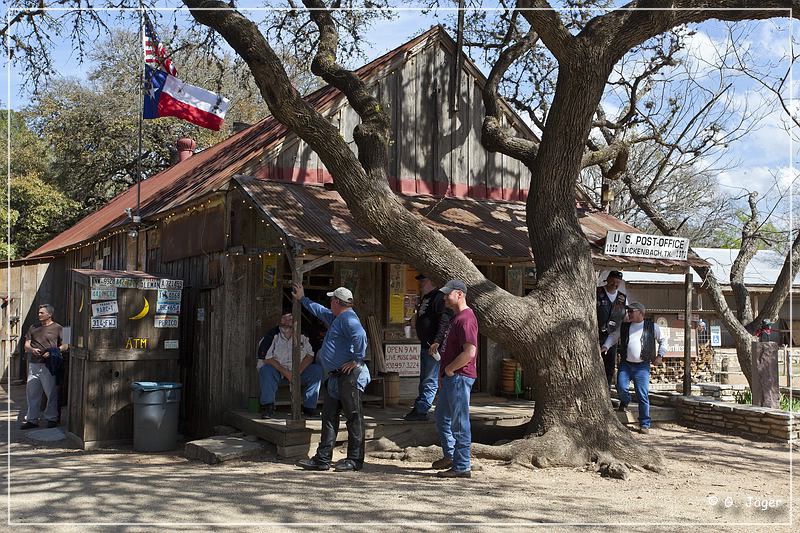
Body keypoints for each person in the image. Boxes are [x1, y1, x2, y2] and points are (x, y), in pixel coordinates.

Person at [293, 283, 370, 472]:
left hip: (349, 376)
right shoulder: (337, 317)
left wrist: (356, 359)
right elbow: (319, 311)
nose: (329, 303)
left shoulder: (349, 319)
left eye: (331, 300)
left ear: (337, 301)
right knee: (329, 416)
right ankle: (323, 458)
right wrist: (303, 298)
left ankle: (354, 460)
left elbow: (360, 335)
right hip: (336, 376)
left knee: (353, 417)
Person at [432, 279, 478, 479]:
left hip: (459, 377)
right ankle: (451, 455)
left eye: (447, 294)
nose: (444, 297)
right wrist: (444, 373)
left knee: (459, 422)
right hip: (450, 377)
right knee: (442, 417)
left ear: (459, 294)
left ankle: (462, 465)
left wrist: (450, 369)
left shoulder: (466, 319)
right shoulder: (456, 318)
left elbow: (470, 352)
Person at [601, 302, 666, 434]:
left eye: (631, 311)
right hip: (626, 364)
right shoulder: (624, 327)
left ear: (640, 313)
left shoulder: (652, 327)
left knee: (642, 395)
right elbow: (613, 336)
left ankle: (645, 424)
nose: (628, 313)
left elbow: (663, 340)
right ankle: (625, 401)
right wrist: (606, 346)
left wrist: (660, 355)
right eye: (628, 311)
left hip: (642, 366)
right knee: (621, 387)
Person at [257, 311, 324, 419]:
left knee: (316, 370)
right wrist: (287, 373)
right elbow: (267, 358)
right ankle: (268, 407)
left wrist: (297, 373)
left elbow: (310, 355)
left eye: (291, 318)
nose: (288, 321)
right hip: (278, 372)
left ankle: (309, 408)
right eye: (284, 318)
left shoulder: (303, 335)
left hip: (297, 372)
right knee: (266, 370)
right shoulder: (271, 336)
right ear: (279, 320)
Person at [404, 274, 453, 422]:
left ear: (431, 281)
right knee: (424, 378)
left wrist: (437, 341)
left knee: (430, 379)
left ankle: (422, 409)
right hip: (425, 344)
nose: (420, 284)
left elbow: (444, 321)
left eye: (423, 281)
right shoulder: (425, 298)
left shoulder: (439, 298)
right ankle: (419, 407)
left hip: (433, 346)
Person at [21, 304, 68, 430]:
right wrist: (32, 349)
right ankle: (32, 420)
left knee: (51, 393)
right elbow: (26, 345)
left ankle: (51, 418)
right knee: (32, 393)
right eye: (39, 312)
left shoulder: (59, 328)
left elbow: (66, 345)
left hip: (49, 365)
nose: (39, 314)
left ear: (50, 314)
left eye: (42, 313)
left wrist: (53, 351)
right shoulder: (33, 327)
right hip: (34, 364)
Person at [596, 270, 627, 387]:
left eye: (617, 282)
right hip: (595, 334)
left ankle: (607, 393)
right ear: (607, 279)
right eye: (613, 281)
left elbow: (625, 317)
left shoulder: (622, 298)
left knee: (609, 367)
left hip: (612, 336)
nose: (615, 284)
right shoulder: (597, 292)